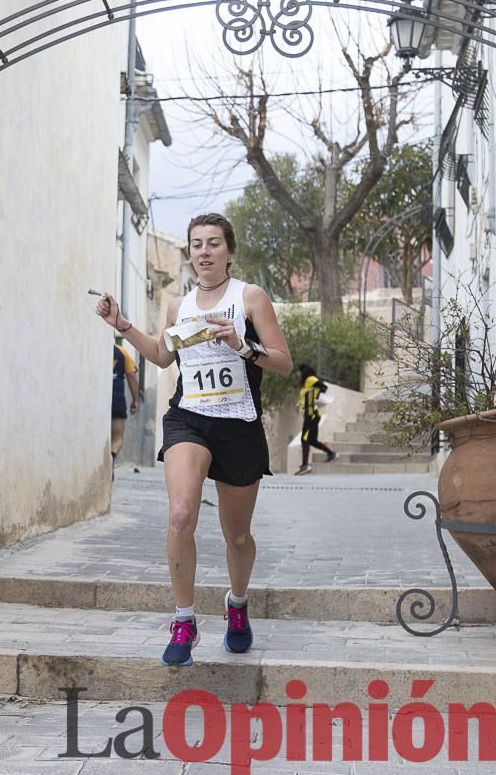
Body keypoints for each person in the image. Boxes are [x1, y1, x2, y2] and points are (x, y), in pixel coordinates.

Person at [95, 213, 292, 666]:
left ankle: (237, 606)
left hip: (239, 423)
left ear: (229, 251)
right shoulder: (176, 306)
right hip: (190, 420)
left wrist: (243, 347)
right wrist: (122, 324)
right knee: (182, 514)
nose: (204, 252)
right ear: (189, 251)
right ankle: (184, 619)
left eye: (213, 244)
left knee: (237, 535)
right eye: (196, 244)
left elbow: (282, 361)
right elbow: (164, 357)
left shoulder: (250, 298)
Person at [295, 362, 338, 476]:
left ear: (303, 371)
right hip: (310, 414)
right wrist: (302, 403)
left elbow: (323, 387)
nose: (298, 374)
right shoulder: (307, 383)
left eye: (299, 372)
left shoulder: (310, 379)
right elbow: (309, 394)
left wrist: (316, 399)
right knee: (312, 440)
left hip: (312, 414)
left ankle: (304, 466)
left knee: (305, 439)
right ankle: (331, 453)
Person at [111, 340, 140, 464]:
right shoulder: (121, 351)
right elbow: (132, 376)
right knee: (117, 438)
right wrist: (136, 400)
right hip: (117, 400)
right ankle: (111, 457)